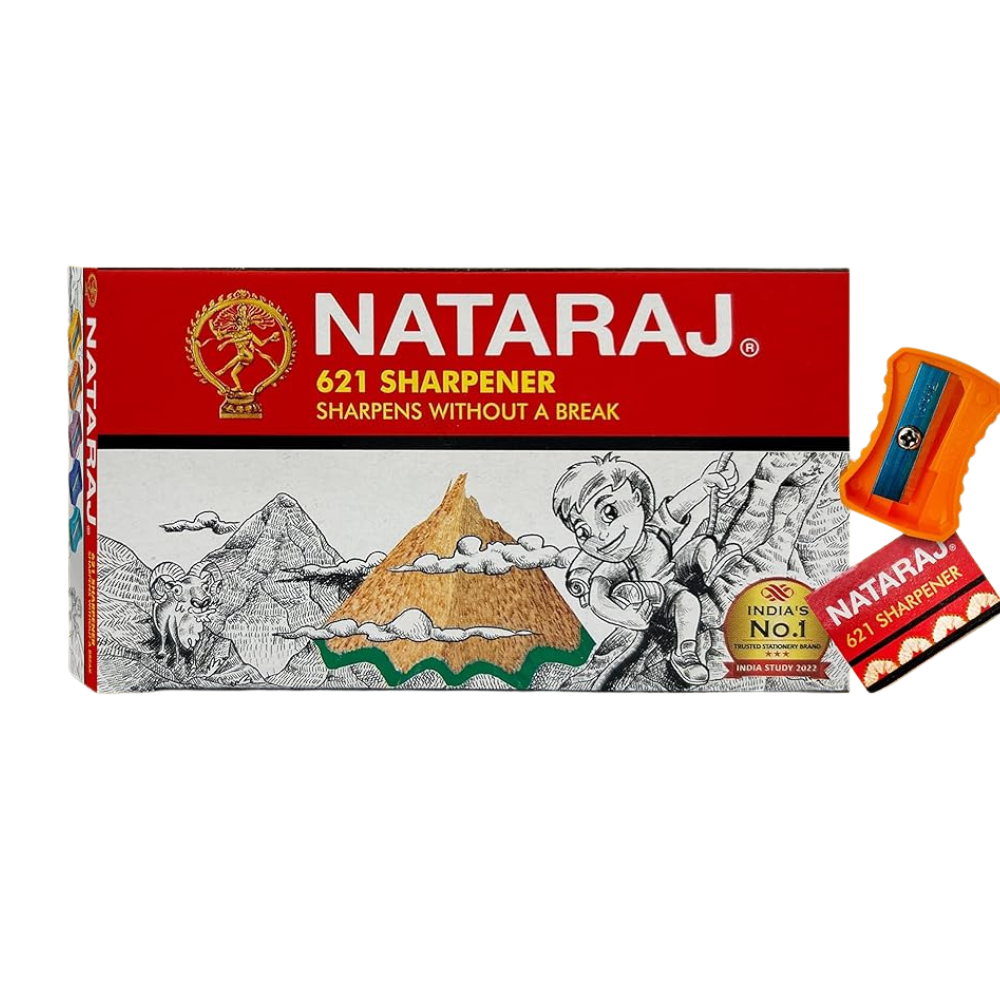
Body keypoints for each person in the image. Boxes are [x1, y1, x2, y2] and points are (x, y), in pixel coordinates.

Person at [553, 454, 741, 685]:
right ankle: (684, 653)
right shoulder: (610, 566)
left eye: (609, 512)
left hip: (673, 574)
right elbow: (598, 600)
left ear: (636, 497)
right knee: (687, 602)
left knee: (703, 544)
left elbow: (678, 507)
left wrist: (705, 484)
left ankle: (712, 566)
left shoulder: (656, 530)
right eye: (583, 531)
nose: (599, 536)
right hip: (656, 600)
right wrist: (629, 619)